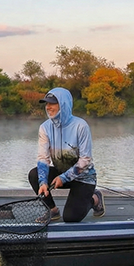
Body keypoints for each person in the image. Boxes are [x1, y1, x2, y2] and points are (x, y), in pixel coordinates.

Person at [29, 87, 104, 223]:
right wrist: (43, 182)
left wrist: (64, 177)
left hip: (83, 178)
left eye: (52, 103)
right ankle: (52, 210)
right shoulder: (45, 127)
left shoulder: (81, 126)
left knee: (71, 218)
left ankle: (95, 198)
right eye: (47, 103)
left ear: (63, 104)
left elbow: (85, 160)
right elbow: (43, 158)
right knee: (34, 174)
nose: (48, 107)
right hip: (60, 173)